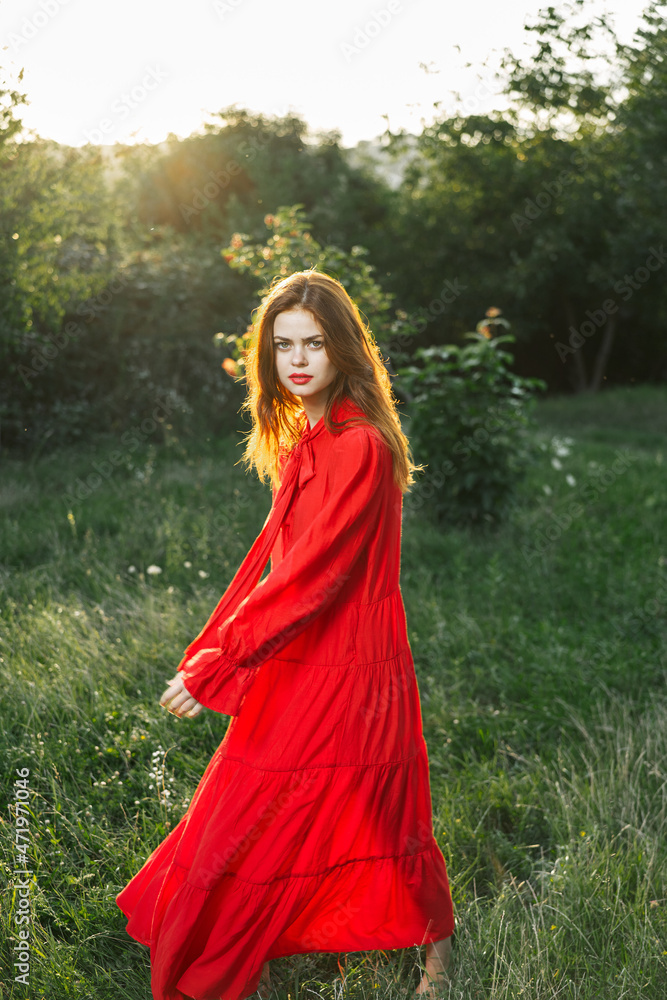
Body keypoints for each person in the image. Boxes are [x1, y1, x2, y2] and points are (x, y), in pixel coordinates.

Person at [115, 269, 455, 1000]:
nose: (297, 360)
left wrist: (225, 656)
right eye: (283, 345)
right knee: (255, 798)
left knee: (377, 806)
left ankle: (438, 957)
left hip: (353, 658)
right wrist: (242, 647)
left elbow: (313, 574)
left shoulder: (360, 444)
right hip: (298, 647)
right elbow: (286, 568)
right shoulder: (308, 434)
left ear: (344, 349)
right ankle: (250, 936)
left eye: (315, 344)